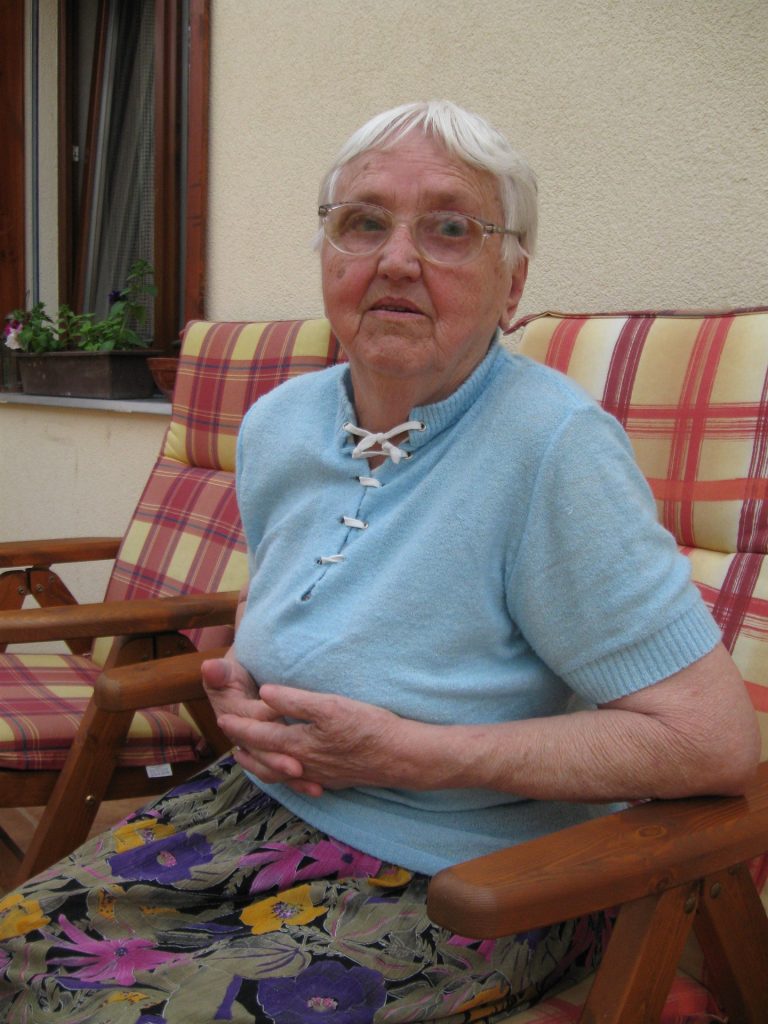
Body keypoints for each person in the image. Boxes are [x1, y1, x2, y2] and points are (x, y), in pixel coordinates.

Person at [0, 101, 759, 1023]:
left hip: (464, 876)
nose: (397, 258)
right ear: (327, 258)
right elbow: (306, 604)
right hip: (255, 808)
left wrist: (413, 754)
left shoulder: (554, 450)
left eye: (450, 228)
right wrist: (246, 682)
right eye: (364, 222)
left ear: (511, 284)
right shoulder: (281, 422)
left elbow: (712, 744)